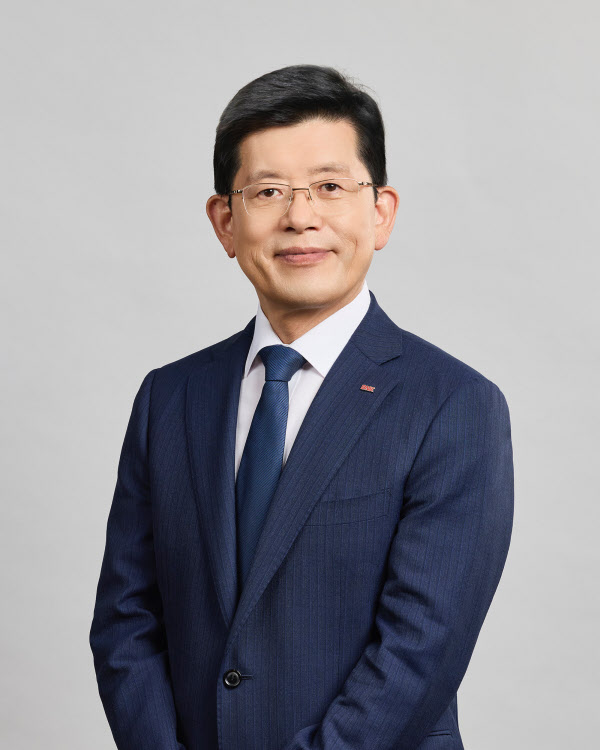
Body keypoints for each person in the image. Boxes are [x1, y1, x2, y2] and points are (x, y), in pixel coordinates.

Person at [89, 64, 514, 750]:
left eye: (330, 187)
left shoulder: (454, 405)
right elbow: (125, 620)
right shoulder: (170, 397)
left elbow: (420, 651)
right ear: (225, 222)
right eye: (268, 192)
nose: (300, 216)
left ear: (381, 212)